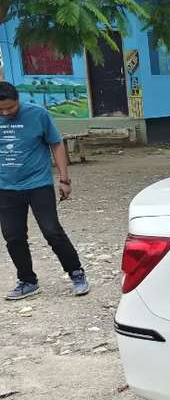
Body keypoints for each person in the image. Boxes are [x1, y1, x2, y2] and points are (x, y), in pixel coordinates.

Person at [0, 81, 89, 300]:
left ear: (18, 99)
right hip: (5, 187)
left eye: (10, 107)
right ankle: (27, 281)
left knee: (52, 231)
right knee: (13, 236)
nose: (6, 113)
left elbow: (56, 144)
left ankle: (76, 273)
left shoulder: (38, 114)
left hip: (38, 184)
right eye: (1, 109)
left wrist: (64, 179)